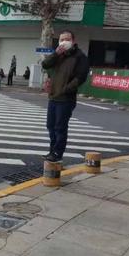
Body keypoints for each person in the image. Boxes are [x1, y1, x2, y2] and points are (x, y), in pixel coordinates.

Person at [41, 30, 89, 163]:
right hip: (53, 97)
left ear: (73, 41)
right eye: (61, 39)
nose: (63, 42)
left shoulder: (80, 57)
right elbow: (45, 64)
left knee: (60, 127)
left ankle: (58, 153)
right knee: (50, 126)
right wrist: (56, 53)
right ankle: (52, 150)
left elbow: (80, 77)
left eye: (67, 39)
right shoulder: (59, 55)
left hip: (66, 98)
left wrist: (65, 89)